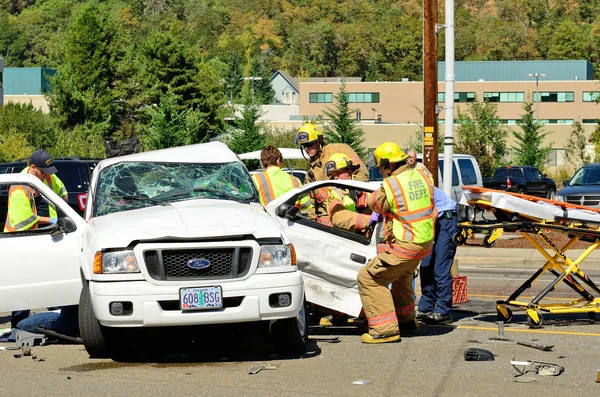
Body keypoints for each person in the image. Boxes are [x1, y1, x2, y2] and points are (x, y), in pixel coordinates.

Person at [357, 142, 436, 344]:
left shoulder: (392, 184)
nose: (381, 172)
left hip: (406, 243)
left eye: (381, 168)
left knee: (369, 278)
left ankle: (384, 329)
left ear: (388, 165)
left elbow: (377, 204)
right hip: (424, 242)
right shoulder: (423, 176)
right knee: (402, 276)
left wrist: (363, 199)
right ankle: (406, 321)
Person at [6, 149, 68, 327]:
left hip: (47, 236)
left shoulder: (47, 177)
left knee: (51, 276)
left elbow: (62, 192)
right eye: (43, 172)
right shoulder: (20, 185)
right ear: (33, 167)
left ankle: (59, 320)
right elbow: (23, 219)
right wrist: (52, 219)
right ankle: (18, 325)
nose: (47, 176)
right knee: (24, 282)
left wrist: (61, 209)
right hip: (22, 240)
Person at [295, 122, 368, 224]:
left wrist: (351, 191)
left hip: (348, 212)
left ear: (319, 141)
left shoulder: (339, 149)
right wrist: (313, 221)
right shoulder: (311, 169)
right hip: (325, 220)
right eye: (303, 146)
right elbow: (311, 200)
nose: (306, 148)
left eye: (309, 144)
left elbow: (362, 173)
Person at [415, 187, 458, 325]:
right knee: (426, 265)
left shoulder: (420, 186)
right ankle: (426, 308)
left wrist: (430, 235)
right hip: (433, 221)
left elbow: (434, 211)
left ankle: (444, 312)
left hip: (445, 219)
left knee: (440, 268)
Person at [322, 152, 377, 233]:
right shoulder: (333, 192)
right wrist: (367, 219)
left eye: (338, 172)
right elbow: (338, 217)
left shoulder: (360, 188)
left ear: (350, 170)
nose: (335, 177)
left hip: (364, 237)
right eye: (333, 174)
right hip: (347, 238)